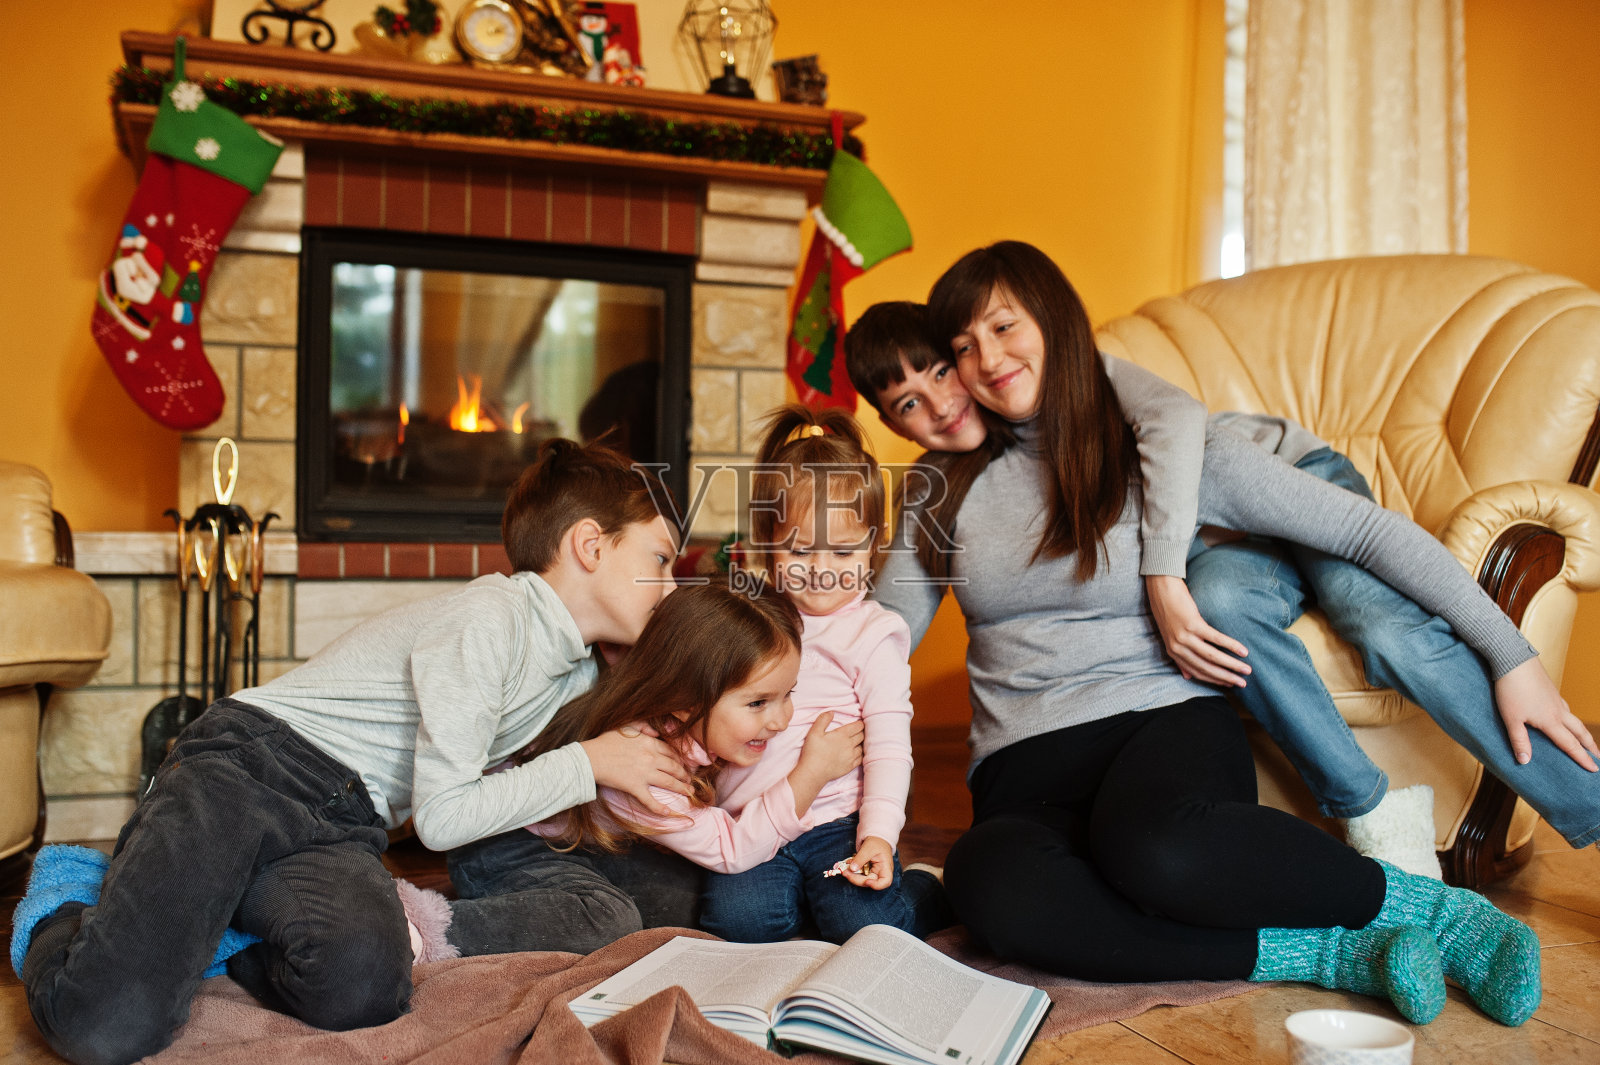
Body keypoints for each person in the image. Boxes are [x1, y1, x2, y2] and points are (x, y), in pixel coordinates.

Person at [868, 241, 1552, 1027]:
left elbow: (1367, 533)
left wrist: (1511, 652)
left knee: (1157, 850)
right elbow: (880, 635)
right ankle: (1329, 953)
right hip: (1018, 767)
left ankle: (1439, 913)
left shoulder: (1162, 449)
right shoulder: (935, 488)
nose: (987, 359)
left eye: (1003, 326)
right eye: (963, 346)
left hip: (1158, 724)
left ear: (1053, 319)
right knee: (992, 890)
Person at [845, 299, 1600, 875]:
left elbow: (1369, 534)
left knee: (1386, 627)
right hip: (1227, 549)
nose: (939, 403)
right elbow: (888, 622)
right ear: (892, 424)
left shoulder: (1136, 428)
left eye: (942, 372)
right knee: (1223, 604)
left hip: (1283, 486)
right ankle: (1373, 812)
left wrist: (1513, 656)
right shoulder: (958, 482)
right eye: (906, 403)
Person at [15, 439, 695, 1065]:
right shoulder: (491, 619)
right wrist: (590, 763)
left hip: (347, 822)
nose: (670, 587)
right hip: (250, 767)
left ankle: (214, 911)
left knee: (364, 984)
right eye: (660, 559)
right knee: (103, 1027)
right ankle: (68, 896)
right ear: (589, 545)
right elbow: (443, 818)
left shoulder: (573, 671)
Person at [696, 404, 953, 943]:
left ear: (873, 546)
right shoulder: (749, 619)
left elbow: (888, 748)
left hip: (838, 824)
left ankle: (928, 889)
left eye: (842, 550)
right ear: (768, 542)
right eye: (799, 549)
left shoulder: (874, 634)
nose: (821, 568)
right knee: (739, 923)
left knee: (866, 926)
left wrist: (877, 836)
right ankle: (806, 900)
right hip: (753, 821)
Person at [493, 579, 871, 940]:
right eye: (758, 703)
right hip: (516, 847)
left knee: (694, 901)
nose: (781, 721)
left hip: (600, 842)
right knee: (616, 917)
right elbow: (730, 849)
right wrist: (812, 773)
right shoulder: (646, 767)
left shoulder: (683, 716)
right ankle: (456, 929)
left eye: (788, 694)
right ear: (684, 700)